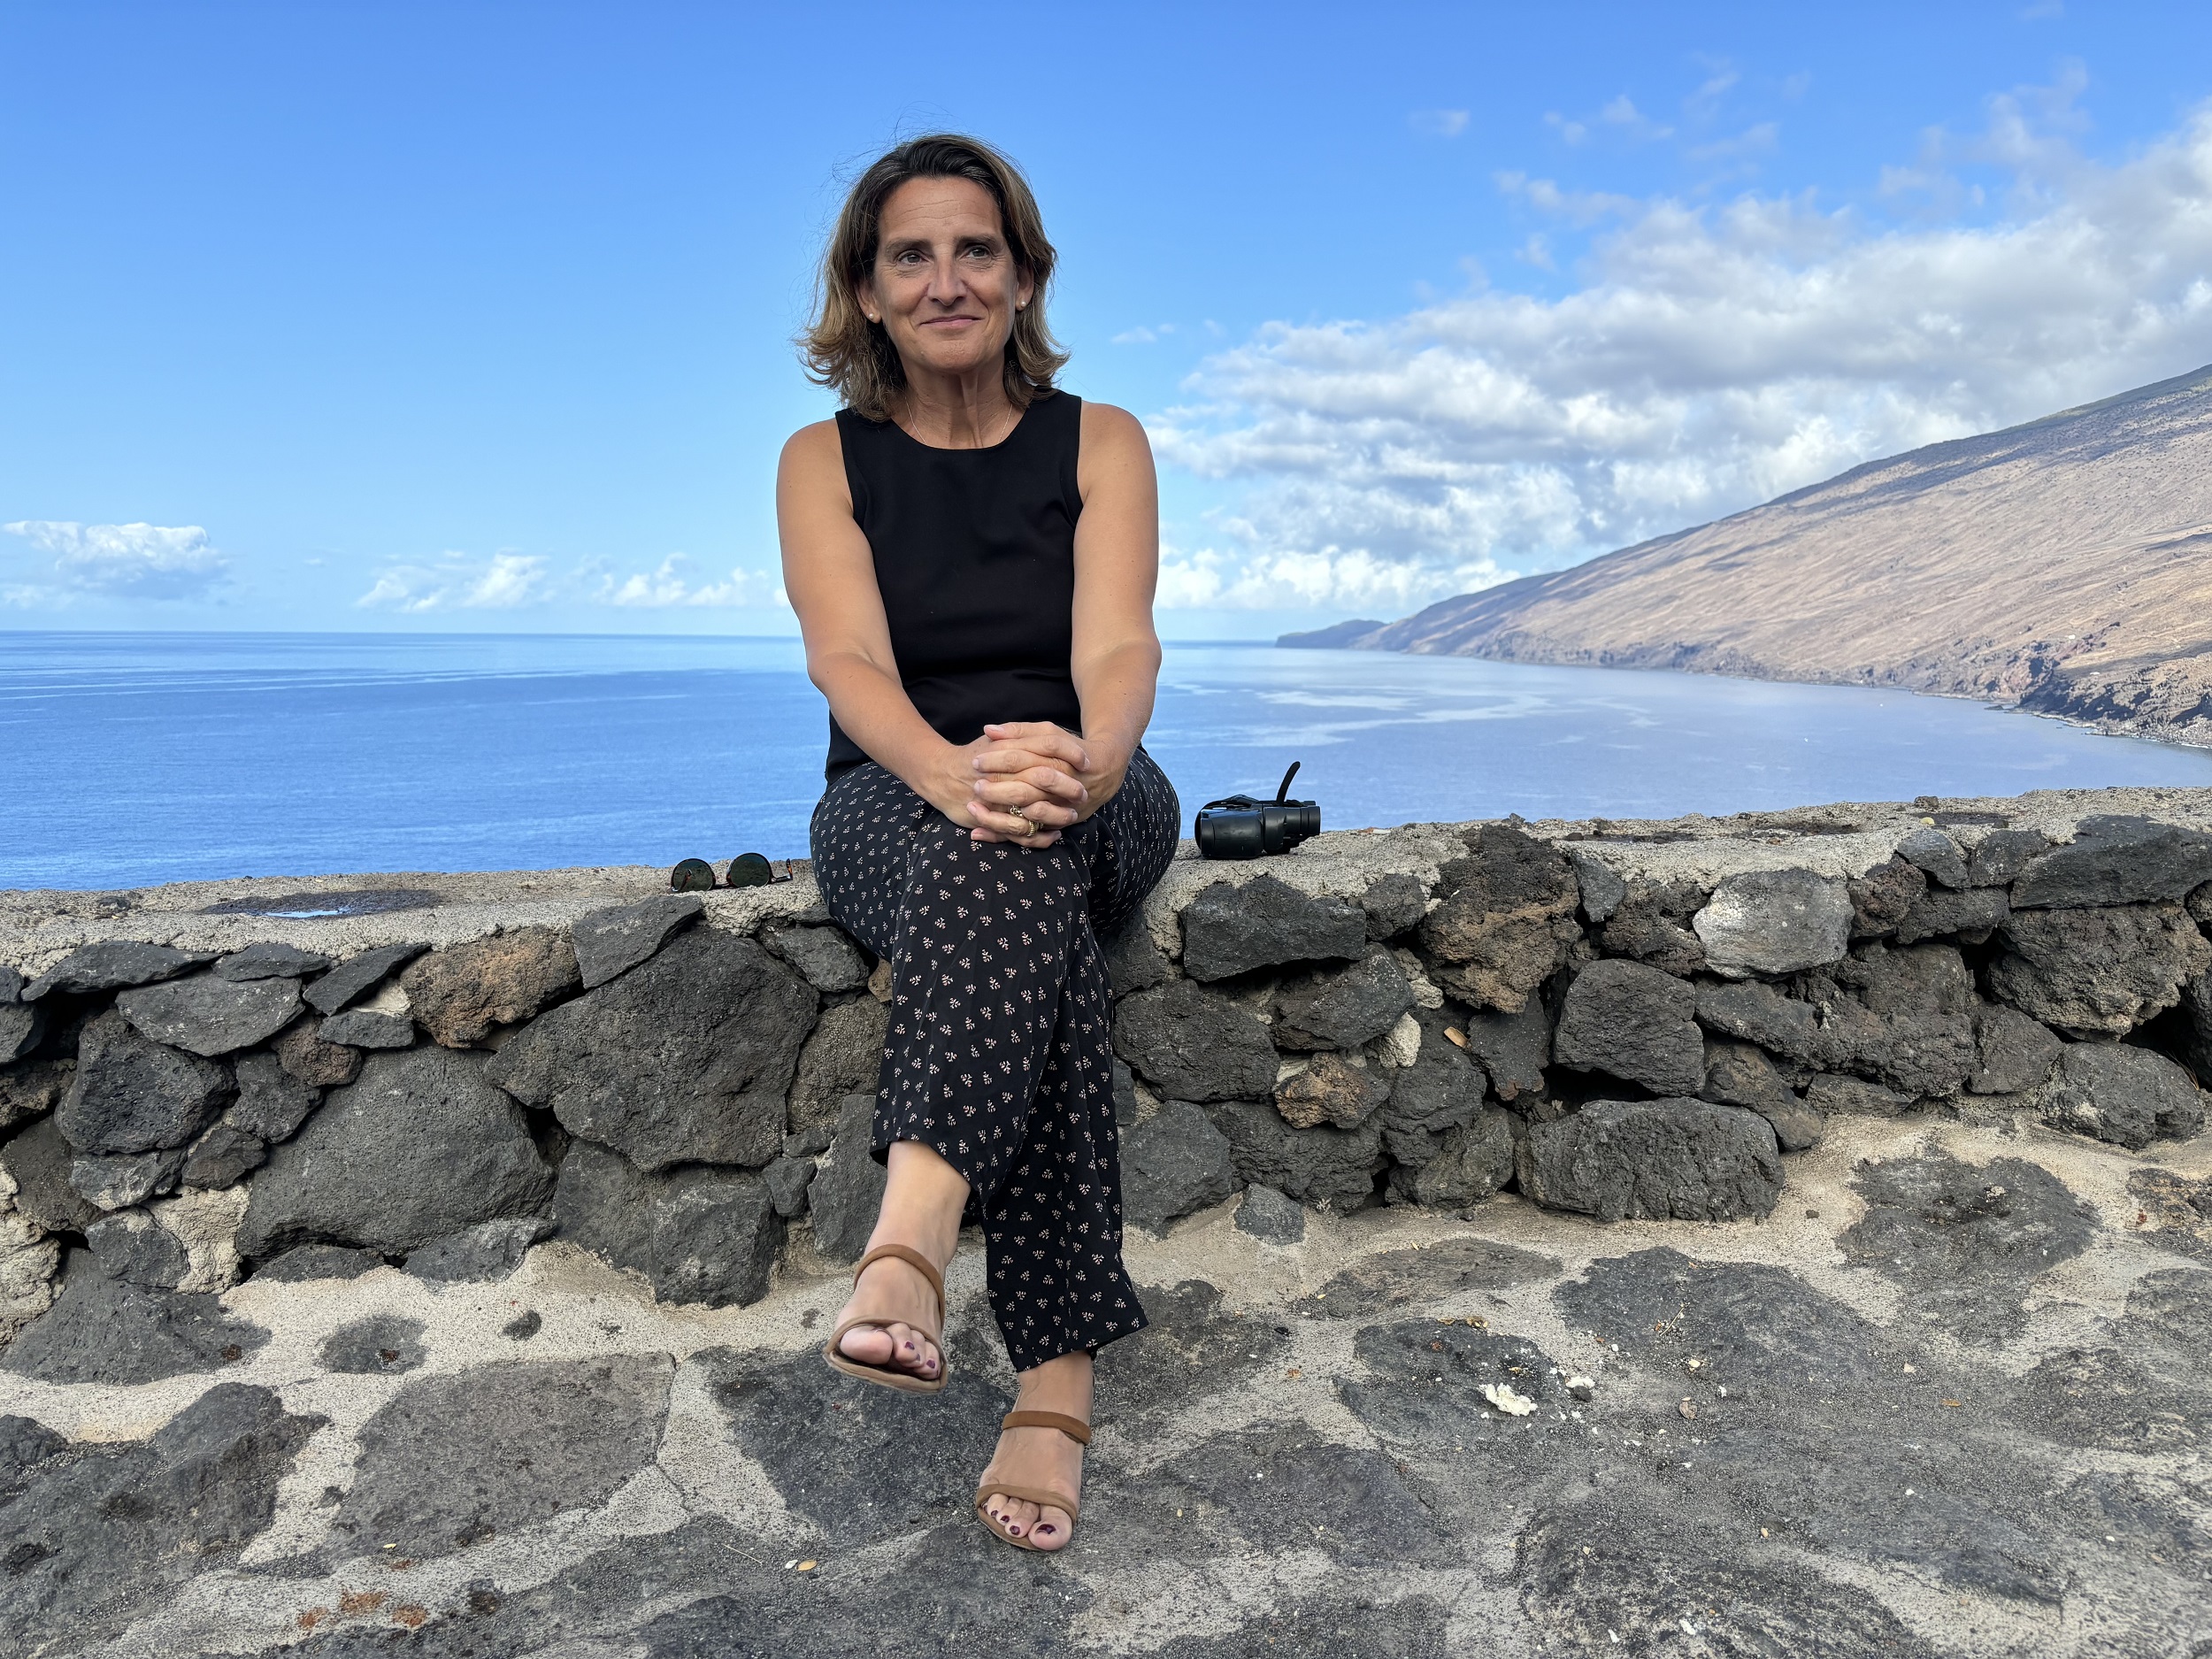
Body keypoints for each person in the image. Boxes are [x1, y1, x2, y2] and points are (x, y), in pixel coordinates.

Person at [778, 134, 1179, 1554]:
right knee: (1010, 880)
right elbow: (849, 665)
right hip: (895, 796)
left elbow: (1118, 640)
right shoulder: (822, 460)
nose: (946, 277)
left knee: (1029, 835)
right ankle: (1054, 1382)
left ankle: (912, 1240)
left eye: (975, 249)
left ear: (1022, 278)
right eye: (911, 254)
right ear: (867, 292)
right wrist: (957, 778)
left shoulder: (1104, 441)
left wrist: (1090, 761)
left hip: (1097, 781)